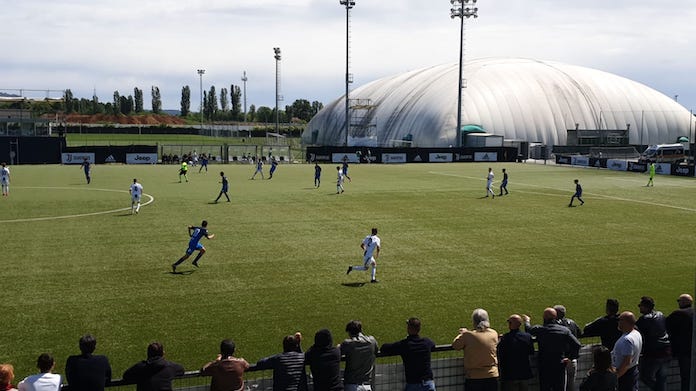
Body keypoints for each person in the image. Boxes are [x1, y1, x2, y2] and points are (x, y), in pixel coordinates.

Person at [523, 308, 581, 391]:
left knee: (545, 388)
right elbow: (577, 345)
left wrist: (527, 321)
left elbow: (529, 330)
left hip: (544, 365)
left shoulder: (540, 330)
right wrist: (570, 358)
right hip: (559, 365)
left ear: (544, 318)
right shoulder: (564, 330)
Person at [380, 317, 436, 391]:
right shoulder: (426, 342)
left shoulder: (405, 345)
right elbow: (433, 345)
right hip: (428, 383)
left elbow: (384, 348)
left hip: (413, 384)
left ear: (408, 329)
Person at [452, 308, 499, 391]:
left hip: (474, 377)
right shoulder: (493, 333)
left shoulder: (467, 335)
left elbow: (456, 345)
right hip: (492, 375)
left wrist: (462, 334)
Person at [635, 296, 671, 391]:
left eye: (640, 305)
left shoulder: (643, 320)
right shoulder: (661, 315)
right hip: (666, 352)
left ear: (646, 307)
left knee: (645, 377)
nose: (639, 307)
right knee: (662, 379)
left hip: (653, 354)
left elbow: (633, 330)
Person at [497, 314, 534, 391]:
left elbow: (500, 354)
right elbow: (531, 352)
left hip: (510, 375)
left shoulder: (505, 338)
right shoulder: (527, 337)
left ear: (510, 324)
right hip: (524, 373)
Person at [340, 320, 378, 391]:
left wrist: (339, 346)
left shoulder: (348, 344)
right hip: (367, 386)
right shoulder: (372, 341)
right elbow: (376, 350)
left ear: (349, 332)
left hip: (352, 385)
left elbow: (337, 353)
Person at [665, 294, 693, 391]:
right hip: (691, 349)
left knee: (685, 377)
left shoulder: (678, 314)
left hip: (683, 351)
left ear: (684, 302)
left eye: (679, 301)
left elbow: (666, 325)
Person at [553, 305, 582, 391]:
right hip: (572, 359)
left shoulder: (555, 325)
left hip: (562, 359)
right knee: (571, 385)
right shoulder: (572, 322)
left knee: (561, 386)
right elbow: (580, 333)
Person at [612, 311, 642, 391]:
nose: (618, 322)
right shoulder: (636, 333)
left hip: (624, 375)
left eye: (620, 320)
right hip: (632, 371)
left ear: (626, 322)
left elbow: (626, 362)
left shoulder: (627, 340)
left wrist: (616, 376)